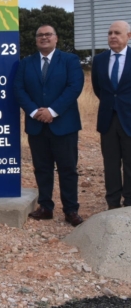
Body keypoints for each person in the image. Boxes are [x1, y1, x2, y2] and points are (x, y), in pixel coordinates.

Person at [14, 25, 84, 227]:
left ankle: (71, 210)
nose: (44, 38)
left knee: (67, 169)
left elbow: (74, 87)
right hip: (37, 125)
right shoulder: (26, 63)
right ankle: (46, 207)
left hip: (64, 125)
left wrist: (52, 111)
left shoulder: (70, 60)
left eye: (48, 34)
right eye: (40, 35)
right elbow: (18, 89)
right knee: (42, 168)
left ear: (56, 38)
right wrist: (35, 111)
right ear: (36, 40)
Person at [92, 21, 131, 209]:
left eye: (117, 33)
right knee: (111, 164)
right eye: (110, 33)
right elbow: (98, 88)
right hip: (108, 120)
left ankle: (130, 204)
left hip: (129, 119)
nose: (112, 36)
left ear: (128, 36)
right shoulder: (99, 60)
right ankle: (113, 204)